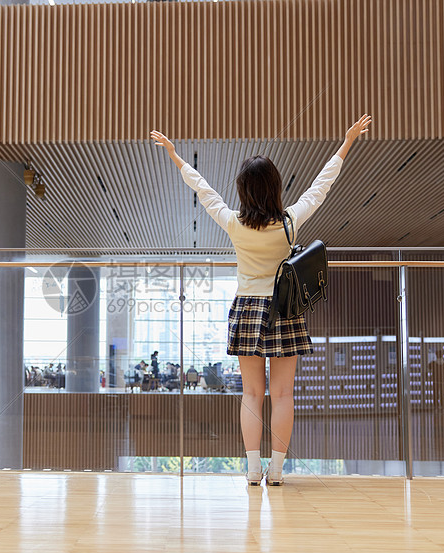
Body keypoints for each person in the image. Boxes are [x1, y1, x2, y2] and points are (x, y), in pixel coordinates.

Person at [152, 115, 371, 486]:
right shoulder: (289, 222)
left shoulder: (233, 223)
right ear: (275, 187)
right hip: (284, 309)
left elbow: (204, 190)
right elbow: (321, 187)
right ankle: (277, 471)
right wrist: (346, 142)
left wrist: (175, 155)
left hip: (247, 309)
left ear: (242, 190)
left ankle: (253, 469)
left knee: (251, 394)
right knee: (282, 394)